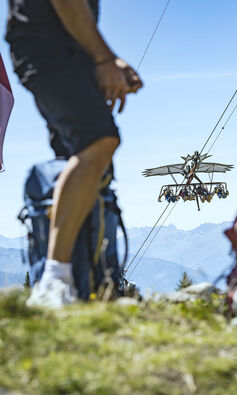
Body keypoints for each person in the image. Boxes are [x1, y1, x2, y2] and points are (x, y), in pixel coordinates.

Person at [6, 0, 143, 307]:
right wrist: (104, 59)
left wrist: (107, 61)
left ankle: (87, 280)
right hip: (46, 46)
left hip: (62, 48)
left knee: (80, 158)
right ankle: (54, 281)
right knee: (98, 141)